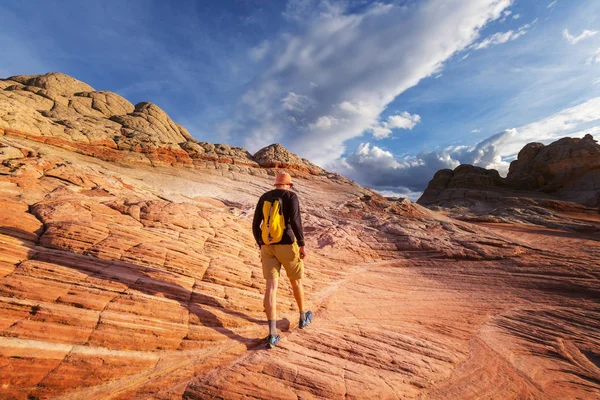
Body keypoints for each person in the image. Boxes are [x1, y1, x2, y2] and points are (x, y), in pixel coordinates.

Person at [252, 172, 313, 348]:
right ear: (289, 185)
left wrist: (261, 243)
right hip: (287, 244)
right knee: (296, 282)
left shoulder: (264, 197)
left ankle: (272, 334)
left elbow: (256, 223)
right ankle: (303, 317)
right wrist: (301, 244)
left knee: (271, 288)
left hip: (267, 246)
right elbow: (295, 220)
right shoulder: (290, 196)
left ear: (276, 184)